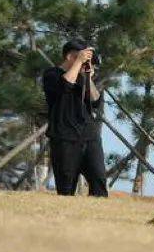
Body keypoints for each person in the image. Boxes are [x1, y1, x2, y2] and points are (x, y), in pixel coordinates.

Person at [42, 40, 108, 197]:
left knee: (99, 180)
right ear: (70, 56)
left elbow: (96, 102)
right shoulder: (51, 74)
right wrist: (79, 62)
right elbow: (64, 86)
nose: (89, 64)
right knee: (66, 187)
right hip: (64, 138)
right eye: (86, 59)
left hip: (90, 137)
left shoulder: (83, 77)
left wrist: (88, 79)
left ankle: (99, 217)